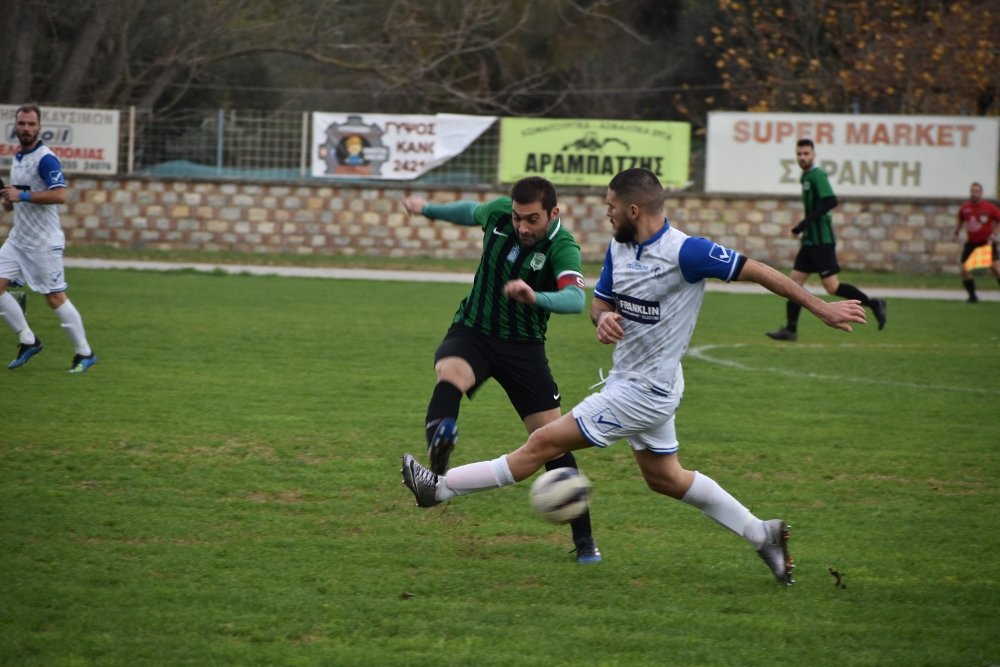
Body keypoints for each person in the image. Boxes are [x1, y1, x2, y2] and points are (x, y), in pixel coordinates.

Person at [401, 168, 868, 585]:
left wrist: (819, 306)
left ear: (633, 208)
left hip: (642, 393)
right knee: (665, 478)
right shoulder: (620, 248)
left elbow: (759, 271)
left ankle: (438, 488)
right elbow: (601, 302)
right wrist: (602, 318)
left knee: (542, 443)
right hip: (636, 382)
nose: (605, 214)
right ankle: (761, 532)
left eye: (609, 207)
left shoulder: (686, 252)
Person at [400, 177, 602, 563]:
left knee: (551, 439)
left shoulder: (563, 246)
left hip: (523, 349)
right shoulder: (497, 215)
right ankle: (439, 452)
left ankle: (585, 542)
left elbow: (575, 298)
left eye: (532, 219)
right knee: (451, 373)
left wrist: (535, 295)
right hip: (473, 330)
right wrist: (427, 209)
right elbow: (468, 211)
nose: (523, 226)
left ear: (553, 214)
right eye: (517, 217)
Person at [0, 104, 97, 373]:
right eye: (22, 124)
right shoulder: (18, 156)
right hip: (19, 239)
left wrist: (23, 196)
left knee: (55, 298)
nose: (26, 129)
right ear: (15, 126)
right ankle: (28, 340)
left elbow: (59, 195)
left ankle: (84, 353)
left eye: (31, 124)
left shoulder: (46, 159)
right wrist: (9, 200)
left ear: (40, 127)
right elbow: (18, 197)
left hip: (43, 242)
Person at [766, 138, 886, 341]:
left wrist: (802, 225)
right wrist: (804, 229)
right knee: (793, 284)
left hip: (822, 241)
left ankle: (875, 304)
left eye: (806, 153)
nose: (802, 157)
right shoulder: (805, 177)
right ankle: (791, 330)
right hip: (810, 242)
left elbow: (831, 201)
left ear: (813, 155)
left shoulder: (817, 175)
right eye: (799, 154)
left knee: (832, 287)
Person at [952, 181, 1000, 303]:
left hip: (986, 242)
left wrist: (994, 233)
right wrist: (956, 232)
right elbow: (960, 220)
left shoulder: (989, 208)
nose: (974, 194)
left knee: (995, 268)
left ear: (981, 193)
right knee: (964, 269)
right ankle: (972, 296)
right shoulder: (965, 208)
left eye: (976, 192)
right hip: (972, 242)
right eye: (972, 191)